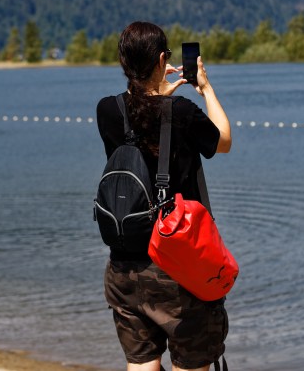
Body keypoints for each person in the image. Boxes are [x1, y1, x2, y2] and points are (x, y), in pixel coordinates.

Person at [97, 21, 233, 371]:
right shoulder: (182, 113)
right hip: (176, 264)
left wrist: (158, 94)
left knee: (141, 365)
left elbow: (139, 125)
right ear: (162, 59)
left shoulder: (108, 110)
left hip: (124, 266)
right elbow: (223, 140)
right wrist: (205, 88)